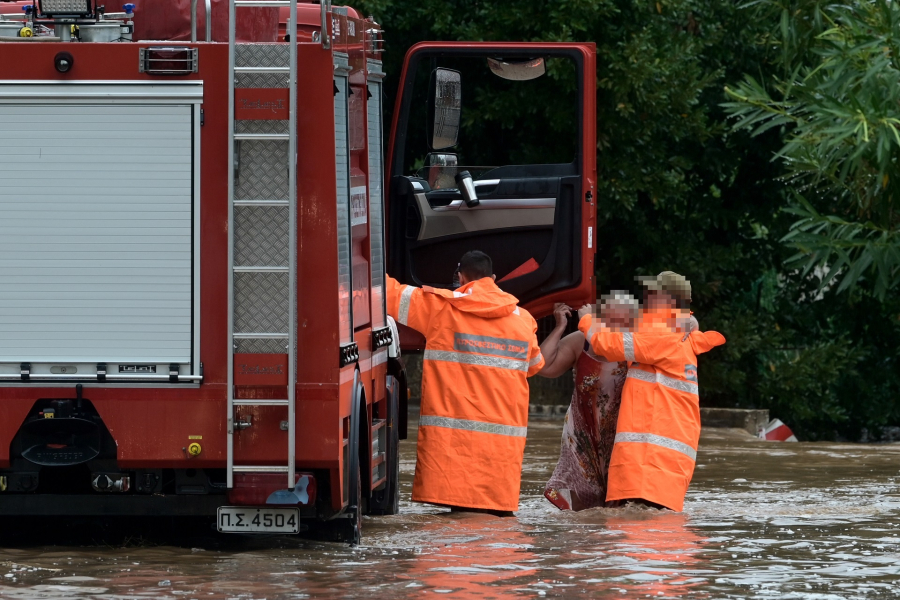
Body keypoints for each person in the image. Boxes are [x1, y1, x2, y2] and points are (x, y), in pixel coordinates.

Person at [386, 250, 544, 515]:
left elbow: (389, 294)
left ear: (460, 278)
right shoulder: (524, 321)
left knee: (454, 537)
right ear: (492, 278)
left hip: (452, 460)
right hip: (500, 464)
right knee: (498, 536)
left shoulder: (441, 308)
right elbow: (536, 365)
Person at [578, 271, 726, 511]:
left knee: (635, 536)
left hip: (647, 462)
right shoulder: (677, 332)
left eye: (654, 293)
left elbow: (606, 345)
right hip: (664, 464)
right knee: (656, 535)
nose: (647, 298)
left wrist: (587, 321)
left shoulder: (663, 333)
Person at [539, 293, 639, 511]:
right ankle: (581, 538)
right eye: (611, 318)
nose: (617, 326)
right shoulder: (580, 340)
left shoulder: (636, 345)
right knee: (581, 506)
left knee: (617, 503)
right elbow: (543, 366)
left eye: (624, 321)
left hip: (621, 434)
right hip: (580, 432)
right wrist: (560, 326)